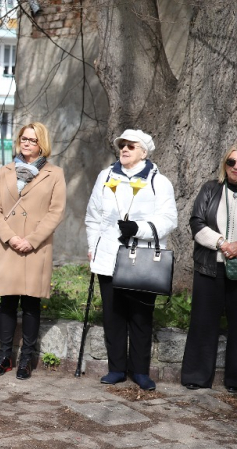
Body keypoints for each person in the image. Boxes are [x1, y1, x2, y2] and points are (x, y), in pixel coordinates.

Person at [85, 129, 177, 391]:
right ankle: (115, 369)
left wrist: (139, 228)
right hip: (108, 257)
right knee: (113, 315)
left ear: (144, 152)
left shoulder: (159, 182)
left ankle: (140, 371)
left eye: (131, 146)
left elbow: (169, 219)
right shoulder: (105, 176)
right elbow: (93, 217)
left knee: (140, 316)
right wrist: (93, 246)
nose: (124, 149)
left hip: (142, 259)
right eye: (122, 145)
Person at [0, 122, 67, 381]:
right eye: (23, 138)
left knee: (32, 303)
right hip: (7, 246)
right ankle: (5, 356)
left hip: (36, 247)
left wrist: (31, 240)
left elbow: (56, 211)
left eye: (32, 140)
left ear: (41, 143)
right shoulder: (5, 171)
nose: (27, 143)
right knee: (7, 303)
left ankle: (26, 360)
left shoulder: (55, 174)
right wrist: (10, 237)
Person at [181, 142, 237, 393]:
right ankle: (196, 376)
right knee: (203, 322)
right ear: (224, 165)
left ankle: (235, 381)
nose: (235, 167)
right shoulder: (210, 189)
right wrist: (222, 243)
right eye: (231, 162)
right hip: (210, 267)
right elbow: (196, 223)